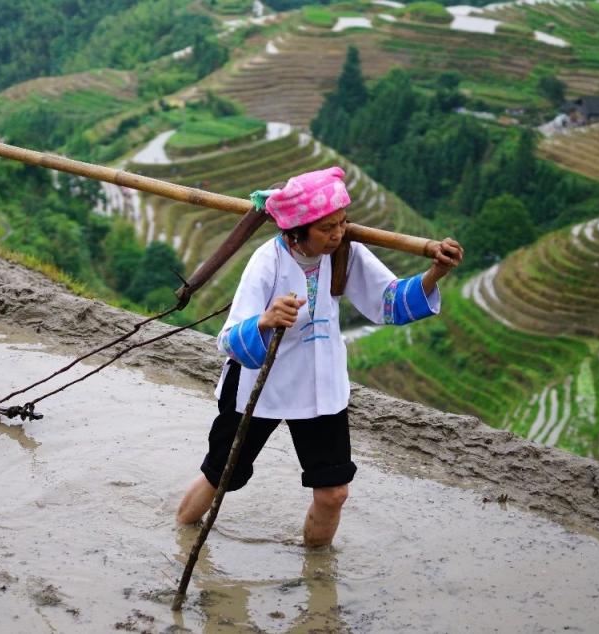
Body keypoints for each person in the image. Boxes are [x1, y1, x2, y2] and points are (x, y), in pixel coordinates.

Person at [175, 166, 463, 547]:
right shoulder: (267, 261)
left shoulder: (344, 253)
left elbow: (389, 302)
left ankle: (317, 574)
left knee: (333, 494)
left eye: (342, 223)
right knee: (222, 476)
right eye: (327, 228)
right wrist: (265, 319)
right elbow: (228, 339)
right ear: (297, 231)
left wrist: (434, 274)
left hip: (318, 386)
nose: (338, 234)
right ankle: (179, 535)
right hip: (260, 387)